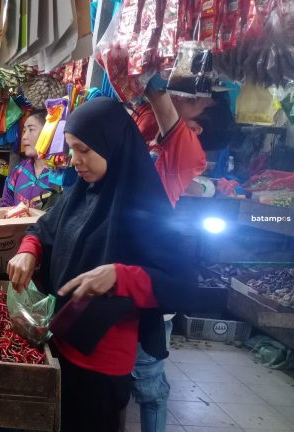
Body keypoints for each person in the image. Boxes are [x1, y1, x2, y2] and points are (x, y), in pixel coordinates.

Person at [7, 97, 195, 432]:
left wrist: (119, 276)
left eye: (84, 150)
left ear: (112, 145)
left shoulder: (148, 207)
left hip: (102, 360)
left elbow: (181, 283)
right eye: (71, 149)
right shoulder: (81, 191)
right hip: (60, 339)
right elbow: (44, 229)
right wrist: (28, 250)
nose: (74, 160)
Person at [130, 87, 234, 432]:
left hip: (151, 276)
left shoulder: (187, 148)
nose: (183, 96)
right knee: (117, 380)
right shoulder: (157, 132)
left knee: (148, 382)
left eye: (193, 100)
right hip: (131, 266)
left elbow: (157, 92)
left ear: (196, 127)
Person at [0, 111, 58, 209]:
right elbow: (5, 205)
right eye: (24, 131)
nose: (24, 137)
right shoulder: (18, 171)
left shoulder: (61, 174)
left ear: (48, 133)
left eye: (31, 130)